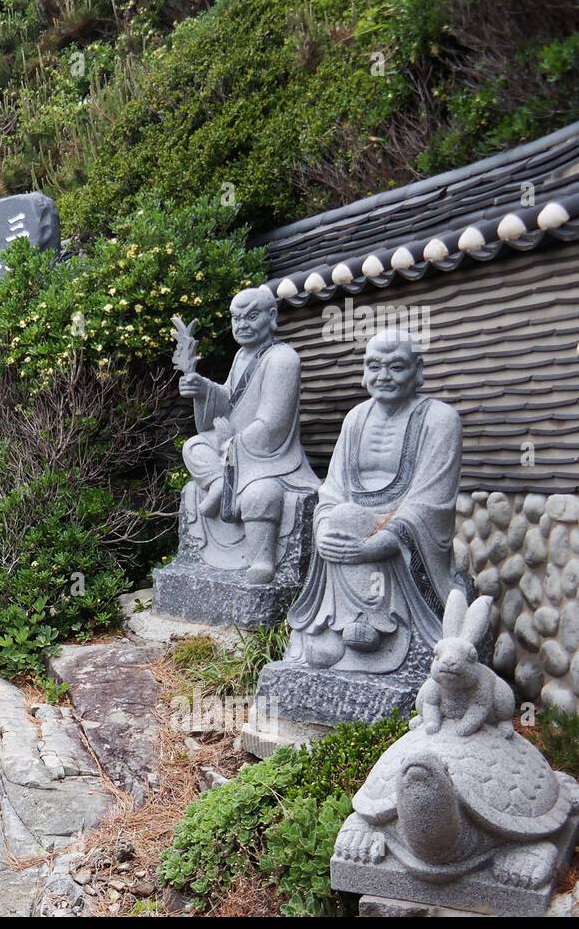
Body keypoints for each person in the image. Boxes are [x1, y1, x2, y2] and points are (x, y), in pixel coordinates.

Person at [284, 329, 464, 674]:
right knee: (342, 516)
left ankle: (376, 627)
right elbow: (333, 489)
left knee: (351, 519)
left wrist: (381, 542)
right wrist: (322, 528)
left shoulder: (440, 419)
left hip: (401, 541)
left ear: (418, 370)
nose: (383, 376)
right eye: (374, 366)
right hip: (351, 534)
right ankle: (342, 623)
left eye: (396, 366)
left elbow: (432, 501)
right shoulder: (355, 418)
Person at [176, 286, 320, 583]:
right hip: (235, 445)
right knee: (193, 446)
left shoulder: (283, 359)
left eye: (251, 316)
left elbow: (273, 424)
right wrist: (202, 388)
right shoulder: (242, 355)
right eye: (235, 318)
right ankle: (218, 483)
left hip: (272, 455)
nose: (241, 325)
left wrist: (231, 442)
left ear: (271, 316)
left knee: (261, 493)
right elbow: (229, 398)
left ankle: (261, 562)